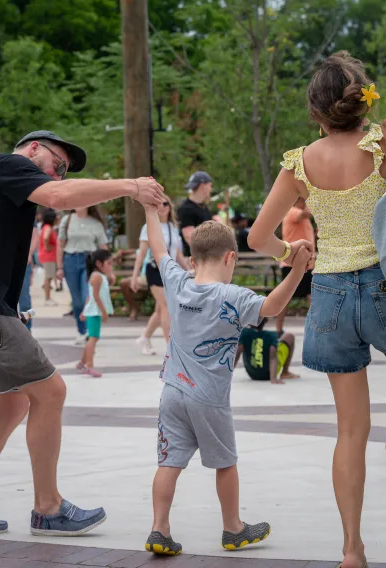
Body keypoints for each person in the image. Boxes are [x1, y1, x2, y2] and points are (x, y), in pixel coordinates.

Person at [247, 0, 386, 565]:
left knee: (347, 434)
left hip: (333, 297)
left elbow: (256, 239)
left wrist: (297, 252)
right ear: (363, 102)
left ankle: (350, 550)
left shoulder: (298, 165)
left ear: (316, 113)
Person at [0, 129, 165, 537]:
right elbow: (60, 197)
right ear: (33, 149)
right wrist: (132, 186)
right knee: (51, 391)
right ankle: (48, 508)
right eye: (58, 165)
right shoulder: (3, 164)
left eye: (64, 171)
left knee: (11, 406)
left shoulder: (2, 184)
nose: (58, 176)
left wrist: (10, 309)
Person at [144, 211, 311, 556]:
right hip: (209, 398)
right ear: (230, 257)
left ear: (191, 259)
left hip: (172, 392)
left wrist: (149, 210)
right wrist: (296, 270)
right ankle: (233, 527)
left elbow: (159, 248)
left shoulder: (177, 282)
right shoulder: (233, 296)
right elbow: (271, 306)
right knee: (225, 462)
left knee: (168, 463)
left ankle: (159, 529)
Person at [132, 195, 188, 355]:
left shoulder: (172, 227)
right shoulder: (148, 226)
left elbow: (177, 253)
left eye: (165, 204)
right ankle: (170, 346)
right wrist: (135, 276)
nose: (162, 207)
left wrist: (187, 270)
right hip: (154, 270)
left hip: (169, 271)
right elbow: (141, 254)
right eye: (158, 204)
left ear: (170, 207)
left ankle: (144, 337)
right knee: (166, 306)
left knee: (159, 309)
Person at [56, 206, 108, 345]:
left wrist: (107, 268)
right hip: (70, 260)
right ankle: (81, 331)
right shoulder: (67, 220)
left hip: (89, 261)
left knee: (88, 297)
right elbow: (60, 245)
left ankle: (91, 332)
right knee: (77, 301)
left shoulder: (95, 223)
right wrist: (59, 267)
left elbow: (103, 247)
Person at [276, 198, 315, 334]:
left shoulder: (302, 214)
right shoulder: (292, 211)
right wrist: (313, 199)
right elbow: (305, 214)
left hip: (306, 263)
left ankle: (314, 328)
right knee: (286, 299)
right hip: (292, 264)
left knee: (311, 295)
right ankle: (278, 329)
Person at [77, 249, 115, 377]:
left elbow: (89, 297)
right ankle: (89, 365)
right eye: (109, 263)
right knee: (93, 338)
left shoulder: (98, 276)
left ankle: (82, 362)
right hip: (95, 311)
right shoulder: (97, 277)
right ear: (99, 264)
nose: (111, 266)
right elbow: (95, 296)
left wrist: (84, 310)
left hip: (92, 311)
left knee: (92, 336)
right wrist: (104, 312)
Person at [236, 319, 298, 384]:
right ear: (266, 321)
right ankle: (285, 372)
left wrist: (228, 373)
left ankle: (284, 373)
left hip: (252, 374)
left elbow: (237, 352)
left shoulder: (244, 333)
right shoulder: (271, 335)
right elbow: (273, 357)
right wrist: (273, 379)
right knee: (289, 336)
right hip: (268, 375)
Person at [177, 171, 213, 257]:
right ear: (202, 185)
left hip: (206, 256)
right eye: (210, 185)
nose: (211, 189)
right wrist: (206, 255)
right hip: (194, 258)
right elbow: (190, 237)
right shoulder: (186, 209)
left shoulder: (204, 207)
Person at [19, 222, 39, 331]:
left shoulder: (26, 209)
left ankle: (27, 331)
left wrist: (29, 253)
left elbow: (35, 235)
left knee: (25, 300)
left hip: (23, 261)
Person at [39, 209, 59, 306]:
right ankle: (47, 298)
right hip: (49, 256)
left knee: (48, 277)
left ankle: (48, 298)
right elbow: (46, 237)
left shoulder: (47, 227)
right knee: (48, 277)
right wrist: (47, 246)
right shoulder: (48, 228)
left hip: (48, 256)